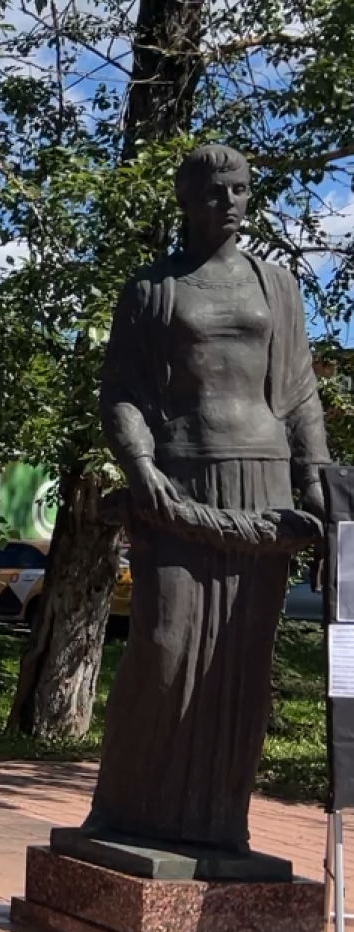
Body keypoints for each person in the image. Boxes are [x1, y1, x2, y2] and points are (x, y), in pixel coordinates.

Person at [89, 144, 329, 852]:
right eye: (215, 191)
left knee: (240, 663)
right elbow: (122, 393)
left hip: (262, 481)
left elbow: (298, 393)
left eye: (241, 190)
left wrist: (314, 481)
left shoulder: (275, 283)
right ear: (185, 201)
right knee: (162, 649)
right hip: (178, 482)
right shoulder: (152, 288)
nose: (230, 202)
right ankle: (124, 813)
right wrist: (138, 466)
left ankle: (218, 824)